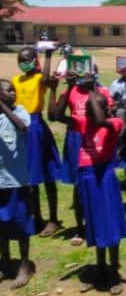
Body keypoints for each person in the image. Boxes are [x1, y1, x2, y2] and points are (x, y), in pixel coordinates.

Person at [53, 78, 126, 295]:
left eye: (90, 108)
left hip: (103, 177)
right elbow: (56, 116)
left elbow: (98, 116)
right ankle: (100, 269)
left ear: (105, 109)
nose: (86, 114)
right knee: (95, 224)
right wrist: (68, 88)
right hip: (88, 177)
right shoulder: (85, 122)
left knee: (110, 224)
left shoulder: (113, 124)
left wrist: (93, 90)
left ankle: (113, 272)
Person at [12, 46, 62, 236]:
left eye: (28, 59)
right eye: (21, 60)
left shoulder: (39, 79)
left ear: (35, 60)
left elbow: (48, 80)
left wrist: (48, 55)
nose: (25, 63)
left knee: (47, 174)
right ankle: (37, 217)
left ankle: (54, 218)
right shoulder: (16, 80)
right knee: (30, 179)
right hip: (21, 129)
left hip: (36, 126)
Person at [0, 79, 35, 289]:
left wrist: (3, 106)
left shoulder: (20, 112)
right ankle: (5, 261)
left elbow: (22, 127)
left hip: (17, 180)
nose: (13, 93)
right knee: (1, 224)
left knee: (21, 222)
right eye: (8, 91)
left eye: (14, 90)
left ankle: (24, 265)